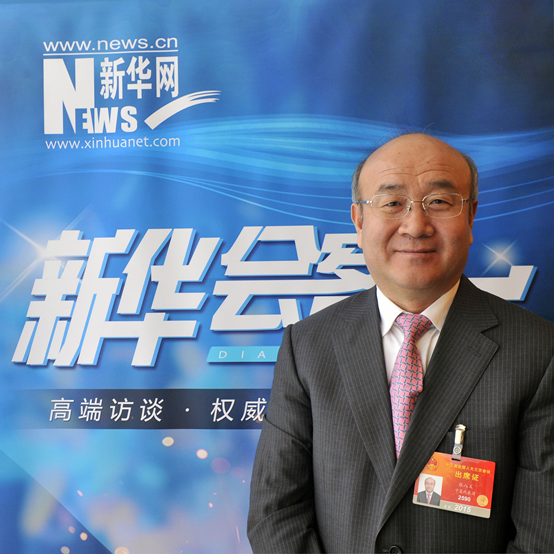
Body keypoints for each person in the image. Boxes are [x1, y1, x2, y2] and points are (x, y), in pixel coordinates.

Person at [247, 133, 554, 553]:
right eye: (392, 203)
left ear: (470, 216)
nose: (415, 225)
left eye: (439, 202)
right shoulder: (308, 345)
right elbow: (276, 512)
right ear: (359, 220)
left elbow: (543, 533)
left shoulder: (538, 352)